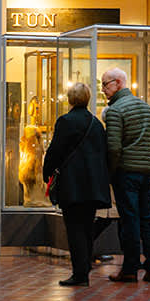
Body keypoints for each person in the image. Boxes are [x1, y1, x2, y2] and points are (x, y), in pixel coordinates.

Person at [42, 82, 112, 287]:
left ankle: (80, 273)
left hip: (72, 185)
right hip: (93, 186)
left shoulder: (65, 121)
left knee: (74, 229)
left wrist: (47, 173)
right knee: (86, 227)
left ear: (70, 99)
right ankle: (85, 268)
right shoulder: (96, 124)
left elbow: (55, 151)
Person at [102, 67, 150, 284]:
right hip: (147, 173)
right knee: (147, 219)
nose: (103, 90)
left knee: (129, 220)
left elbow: (114, 147)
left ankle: (129, 269)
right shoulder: (147, 108)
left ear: (118, 83)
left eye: (105, 84)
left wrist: (110, 172)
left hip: (126, 172)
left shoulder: (116, 110)